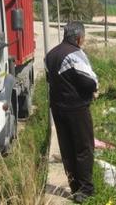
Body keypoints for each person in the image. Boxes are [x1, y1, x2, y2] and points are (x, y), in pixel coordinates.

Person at [45, 21, 98, 203]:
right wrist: (93, 89)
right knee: (83, 148)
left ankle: (74, 187)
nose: (83, 40)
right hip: (76, 109)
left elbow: (49, 79)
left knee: (67, 149)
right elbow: (88, 82)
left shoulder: (50, 55)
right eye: (83, 37)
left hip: (58, 108)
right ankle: (85, 191)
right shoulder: (75, 54)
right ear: (78, 37)